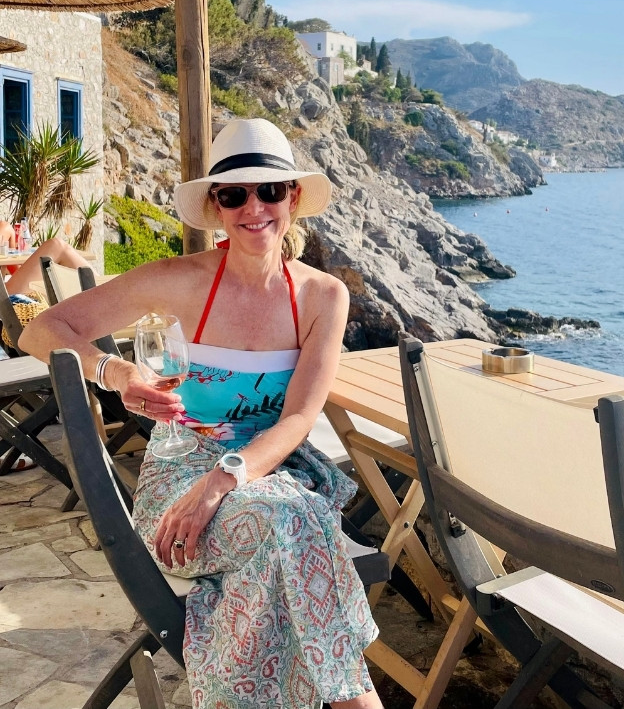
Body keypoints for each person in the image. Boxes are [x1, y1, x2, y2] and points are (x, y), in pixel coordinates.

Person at [21, 118, 383, 709]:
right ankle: (356, 700)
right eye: (234, 194)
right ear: (216, 206)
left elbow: (297, 421)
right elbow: (43, 328)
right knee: (298, 525)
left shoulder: (323, 296)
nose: (254, 207)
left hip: (264, 474)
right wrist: (115, 374)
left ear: (293, 197)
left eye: (270, 190)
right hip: (179, 483)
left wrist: (226, 478)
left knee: (283, 532)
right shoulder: (178, 283)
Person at [0, 221, 90, 295]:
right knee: (56, 246)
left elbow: (14, 270)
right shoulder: (4, 228)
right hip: (4, 301)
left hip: (6, 295)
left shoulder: (5, 228)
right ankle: (101, 290)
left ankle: (100, 290)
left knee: (57, 247)